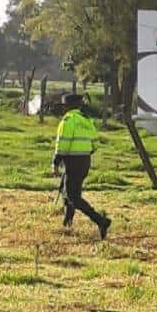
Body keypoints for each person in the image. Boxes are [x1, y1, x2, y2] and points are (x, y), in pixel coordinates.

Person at [52, 94, 111, 239]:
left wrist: (56, 162)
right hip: (85, 161)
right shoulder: (86, 120)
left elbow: (62, 144)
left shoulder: (68, 120)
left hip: (72, 161)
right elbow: (95, 143)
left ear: (66, 107)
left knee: (72, 196)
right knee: (69, 192)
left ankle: (101, 220)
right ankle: (67, 223)